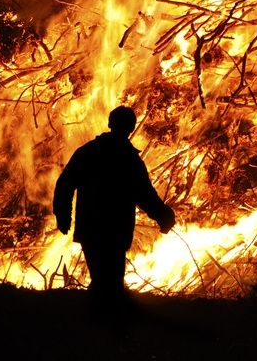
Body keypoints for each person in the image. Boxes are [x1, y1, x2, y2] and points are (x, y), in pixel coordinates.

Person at [53, 106, 175, 312]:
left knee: (101, 278)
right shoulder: (130, 160)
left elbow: (65, 184)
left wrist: (63, 215)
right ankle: (106, 319)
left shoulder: (88, 152)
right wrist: (163, 216)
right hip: (116, 230)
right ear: (131, 128)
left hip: (91, 227)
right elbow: (145, 195)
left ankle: (97, 318)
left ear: (110, 123)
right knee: (110, 281)